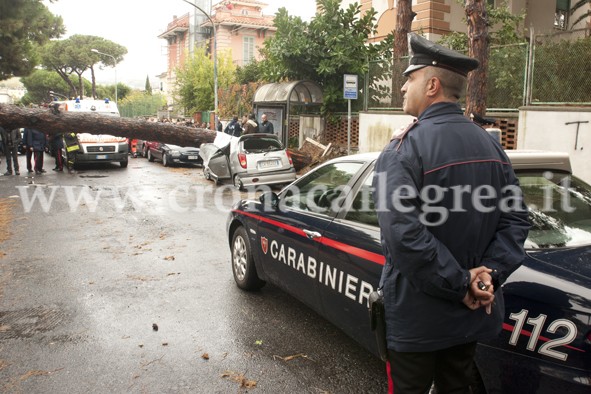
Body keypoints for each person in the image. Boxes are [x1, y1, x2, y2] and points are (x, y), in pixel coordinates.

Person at [371, 33, 530, 393]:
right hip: (471, 317)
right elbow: (516, 219)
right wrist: (487, 276)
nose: (402, 88)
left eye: (409, 79)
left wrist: (461, 284)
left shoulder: (403, 148)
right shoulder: (489, 143)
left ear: (431, 85)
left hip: (417, 321)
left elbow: (402, 234)